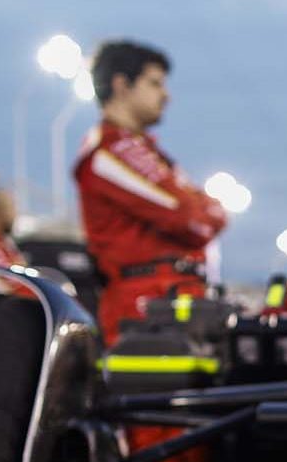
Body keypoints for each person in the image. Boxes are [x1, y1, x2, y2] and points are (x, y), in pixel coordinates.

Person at [73, 39, 228, 345]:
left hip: (175, 304)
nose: (166, 95)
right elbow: (192, 218)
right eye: (155, 83)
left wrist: (208, 211)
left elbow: (214, 216)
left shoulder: (148, 153)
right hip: (145, 312)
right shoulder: (109, 153)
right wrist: (205, 211)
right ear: (121, 85)